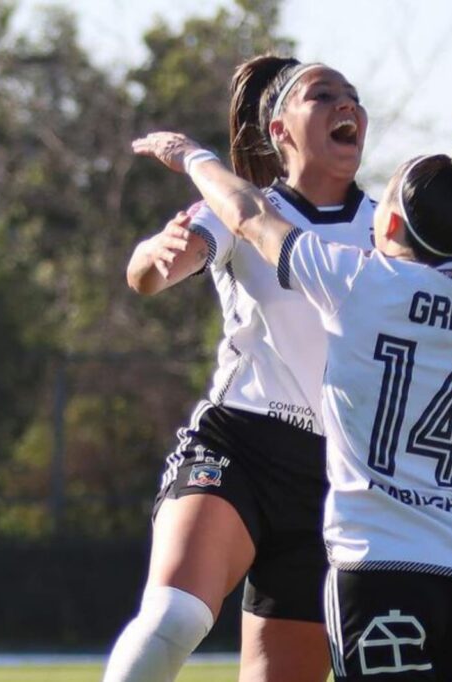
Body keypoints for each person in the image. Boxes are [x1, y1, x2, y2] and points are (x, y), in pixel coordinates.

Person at [132, 126, 452, 680]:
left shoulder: (354, 279)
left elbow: (246, 211)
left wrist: (192, 156)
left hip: (378, 562)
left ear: (389, 223)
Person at [104, 56, 374, 682]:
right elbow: (150, 274)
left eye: (353, 96)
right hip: (239, 445)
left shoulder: (388, 226)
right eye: (323, 95)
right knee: (174, 618)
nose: (346, 106)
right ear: (279, 130)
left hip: (334, 474)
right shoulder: (238, 208)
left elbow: (442, 312)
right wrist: (152, 256)